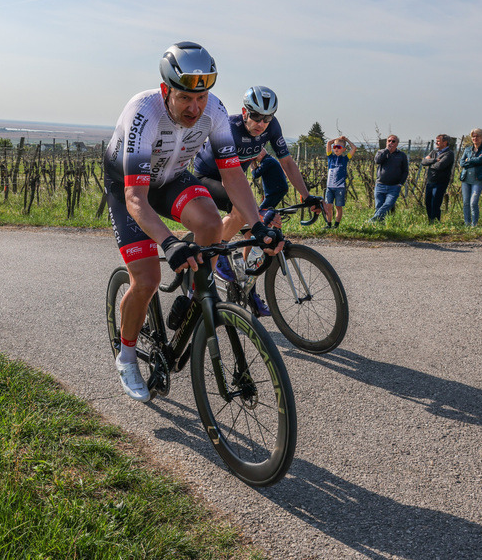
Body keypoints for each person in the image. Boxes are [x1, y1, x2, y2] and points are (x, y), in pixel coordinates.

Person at [103, 42, 283, 402]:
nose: (195, 107)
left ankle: (190, 297)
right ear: (166, 91)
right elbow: (136, 198)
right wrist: (169, 243)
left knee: (212, 226)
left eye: (201, 98)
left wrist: (257, 225)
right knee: (148, 279)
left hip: (170, 179)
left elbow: (233, 177)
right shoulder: (144, 112)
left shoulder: (214, 111)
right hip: (129, 188)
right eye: (185, 98)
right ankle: (126, 356)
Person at [193, 86, 318, 246]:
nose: (261, 123)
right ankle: (218, 252)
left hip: (233, 179)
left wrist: (307, 196)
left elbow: (287, 162)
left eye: (267, 118)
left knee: (253, 234)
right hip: (207, 177)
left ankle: (246, 267)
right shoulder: (229, 129)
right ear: (245, 112)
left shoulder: (272, 127)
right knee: (243, 212)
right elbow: (229, 179)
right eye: (256, 116)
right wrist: (256, 211)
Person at [368, 135, 408, 222]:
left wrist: (400, 183)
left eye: (393, 141)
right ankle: (379, 224)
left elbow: (405, 171)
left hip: (394, 186)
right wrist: (386, 150)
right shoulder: (381, 152)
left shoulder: (401, 155)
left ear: (397, 143)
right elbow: (377, 161)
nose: (391, 143)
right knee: (378, 206)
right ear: (386, 142)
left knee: (388, 204)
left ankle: (372, 221)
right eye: (389, 141)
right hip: (380, 185)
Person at [458, 129, 482, 227]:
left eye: (477, 136)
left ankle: (474, 224)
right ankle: (467, 223)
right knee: (466, 202)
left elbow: (481, 159)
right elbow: (461, 162)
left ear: (481, 137)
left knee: (473, 202)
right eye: (473, 136)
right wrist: (472, 161)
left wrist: (469, 160)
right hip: (466, 179)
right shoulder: (467, 149)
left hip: (478, 179)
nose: (475, 138)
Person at [420, 134, 454, 223]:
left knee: (435, 202)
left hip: (440, 182)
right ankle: (430, 221)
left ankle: (435, 222)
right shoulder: (434, 152)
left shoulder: (449, 154)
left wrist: (430, 162)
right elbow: (423, 162)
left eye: (438, 141)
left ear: (445, 142)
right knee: (428, 202)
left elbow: (440, 166)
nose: (436, 143)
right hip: (430, 181)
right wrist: (434, 160)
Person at [324, 136, 356, 228]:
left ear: (344, 149)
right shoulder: (330, 157)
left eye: (339, 147)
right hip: (329, 187)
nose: (336, 149)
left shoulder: (345, 159)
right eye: (335, 147)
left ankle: (336, 225)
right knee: (328, 206)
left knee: (338, 207)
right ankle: (328, 224)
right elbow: (328, 143)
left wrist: (347, 140)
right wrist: (337, 139)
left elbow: (354, 148)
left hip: (340, 187)